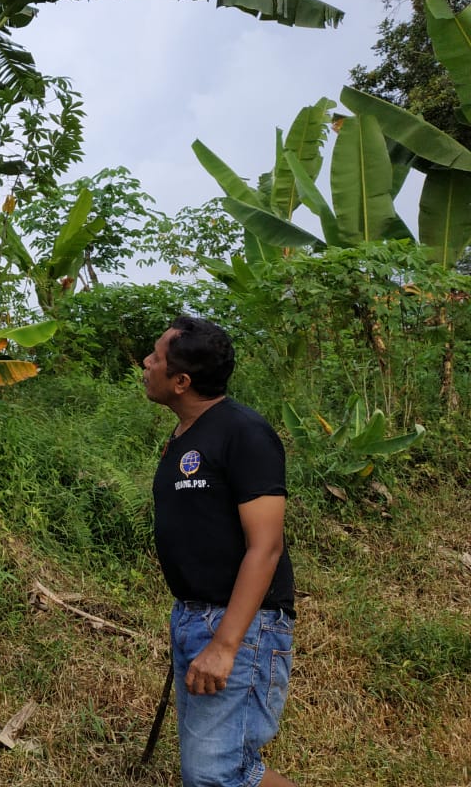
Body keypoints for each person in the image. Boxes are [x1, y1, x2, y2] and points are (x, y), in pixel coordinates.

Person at [142, 316, 296, 787]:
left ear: (181, 381)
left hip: (241, 625)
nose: (145, 364)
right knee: (224, 770)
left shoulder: (243, 433)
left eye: (155, 358)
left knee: (214, 773)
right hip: (195, 616)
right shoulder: (188, 433)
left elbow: (266, 547)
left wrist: (226, 644)